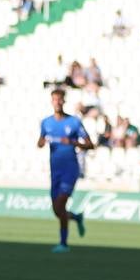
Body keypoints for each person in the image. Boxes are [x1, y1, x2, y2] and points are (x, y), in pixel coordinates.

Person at [38, 87, 91, 253]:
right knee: (57, 210)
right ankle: (76, 217)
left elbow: (90, 144)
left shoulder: (74, 122)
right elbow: (40, 141)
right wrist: (41, 142)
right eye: (54, 99)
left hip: (70, 169)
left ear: (64, 101)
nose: (57, 102)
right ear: (51, 101)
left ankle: (63, 244)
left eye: (60, 99)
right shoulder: (46, 122)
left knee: (61, 203)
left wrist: (74, 143)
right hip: (55, 170)